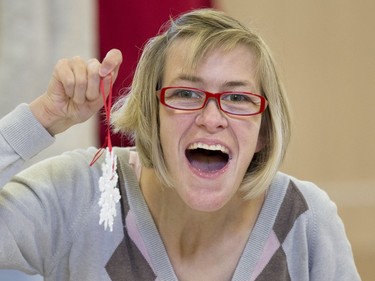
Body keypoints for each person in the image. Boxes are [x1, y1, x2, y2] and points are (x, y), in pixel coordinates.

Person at [0, 8, 361, 281]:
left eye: (237, 98)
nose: (211, 117)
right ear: (151, 115)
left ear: (264, 131)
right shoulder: (82, 192)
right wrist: (41, 118)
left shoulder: (304, 220)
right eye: (186, 93)